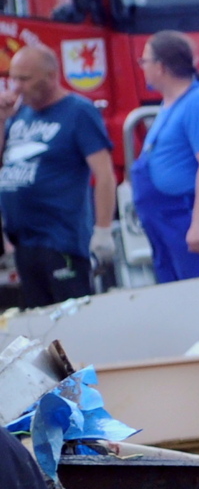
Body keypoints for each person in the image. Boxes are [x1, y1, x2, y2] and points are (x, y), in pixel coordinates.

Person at [2, 45, 116, 304]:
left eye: (24, 79)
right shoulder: (19, 113)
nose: (16, 87)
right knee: (38, 320)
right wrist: (1, 120)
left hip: (61, 239)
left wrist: (103, 230)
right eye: (13, 78)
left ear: (51, 76)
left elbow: (104, 174)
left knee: (71, 317)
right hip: (24, 241)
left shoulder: (78, 111)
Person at [130, 32, 199, 283]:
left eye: (144, 61)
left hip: (185, 217)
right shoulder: (172, 104)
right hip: (166, 221)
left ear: (161, 66)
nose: (142, 67)